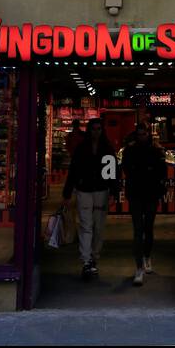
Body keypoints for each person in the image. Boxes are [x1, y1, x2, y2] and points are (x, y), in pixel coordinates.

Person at [62, 118, 118, 280]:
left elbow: (112, 172)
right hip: (85, 190)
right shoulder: (86, 149)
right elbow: (73, 171)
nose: (96, 131)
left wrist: (113, 192)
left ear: (102, 130)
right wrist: (67, 192)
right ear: (89, 130)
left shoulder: (106, 149)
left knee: (98, 227)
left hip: (100, 190)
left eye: (98, 129)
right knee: (87, 225)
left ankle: (93, 257)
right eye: (94, 128)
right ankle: (87, 260)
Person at [121, 120, 166, 287]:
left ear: (148, 134)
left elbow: (160, 171)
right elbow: (128, 169)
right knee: (139, 230)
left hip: (148, 193)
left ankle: (146, 256)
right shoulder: (135, 151)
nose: (142, 137)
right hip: (139, 194)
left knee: (147, 228)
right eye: (139, 134)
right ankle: (139, 266)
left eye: (144, 134)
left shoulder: (151, 151)